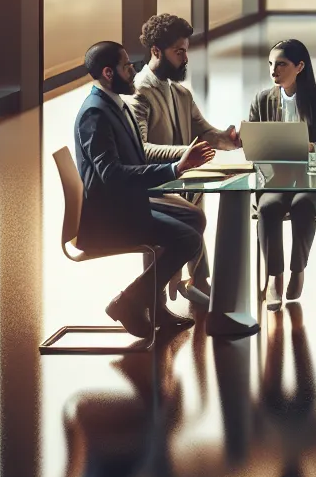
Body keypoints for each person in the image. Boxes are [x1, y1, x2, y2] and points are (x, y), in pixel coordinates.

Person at [71, 40, 217, 338]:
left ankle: (153, 303)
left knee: (194, 218)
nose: (134, 70)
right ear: (109, 73)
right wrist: (175, 168)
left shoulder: (114, 102)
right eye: (127, 67)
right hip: (109, 218)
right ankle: (129, 302)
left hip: (126, 203)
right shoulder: (95, 115)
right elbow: (111, 176)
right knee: (188, 239)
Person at [131, 13, 240, 304]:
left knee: (197, 196)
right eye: (178, 52)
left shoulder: (180, 92)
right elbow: (139, 149)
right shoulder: (138, 92)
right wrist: (185, 155)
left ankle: (198, 280)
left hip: (182, 180)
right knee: (193, 206)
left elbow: (205, 132)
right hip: (155, 184)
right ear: (156, 50)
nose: (185, 58)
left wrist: (230, 140)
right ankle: (169, 292)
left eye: (186, 51)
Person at [249, 39, 316, 310]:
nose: (273, 70)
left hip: (313, 178)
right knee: (267, 207)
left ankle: (297, 269)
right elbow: (255, 140)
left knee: (303, 204)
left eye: (281, 64)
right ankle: (274, 279)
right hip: (277, 178)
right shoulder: (262, 99)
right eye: (270, 64)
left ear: (300, 66)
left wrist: (312, 146)